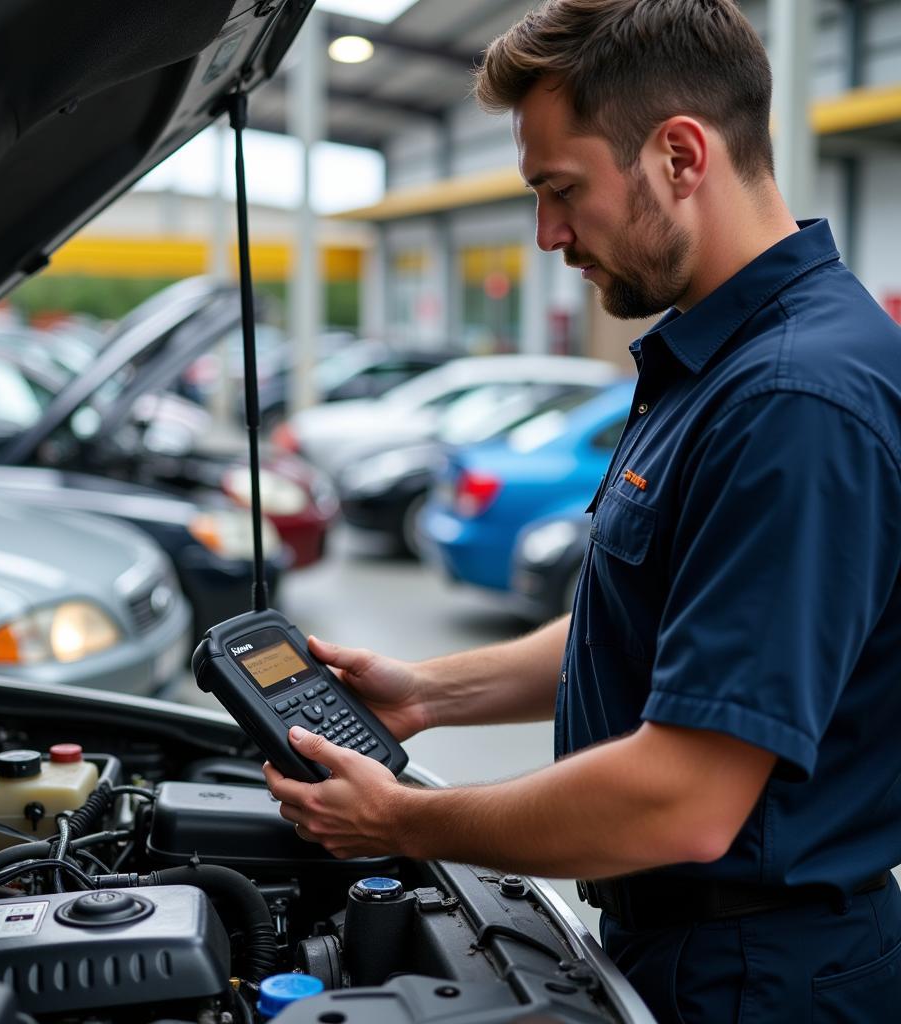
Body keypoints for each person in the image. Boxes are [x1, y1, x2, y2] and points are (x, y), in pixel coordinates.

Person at [263, 1, 901, 1019]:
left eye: (561, 190)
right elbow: (650, 622)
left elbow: (683, 800)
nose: (548, 234)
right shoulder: (718, 361)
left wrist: (404, 817)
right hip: (704, 950)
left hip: (759, 979)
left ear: (680, 155)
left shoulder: (793, 401)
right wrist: (429, 689)